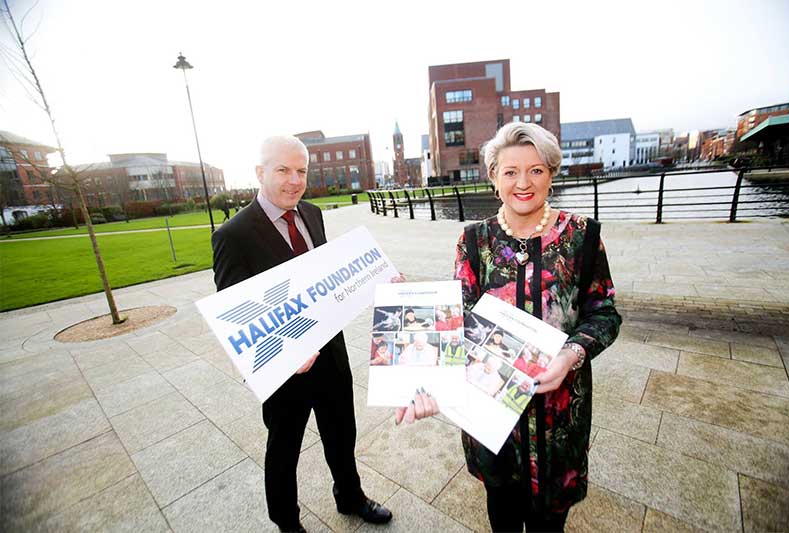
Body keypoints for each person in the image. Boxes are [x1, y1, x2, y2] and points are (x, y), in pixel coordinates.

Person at [396, 122, 621, 532]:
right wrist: (421, 384)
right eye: (510, 171)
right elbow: (456, 320)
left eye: (536, 170)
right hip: (491, 418)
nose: (523, 182)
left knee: (549, 524)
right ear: (494, 178)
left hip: (558, 416)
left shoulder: (582, 237)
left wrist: (572, 354)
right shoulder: (474, 242)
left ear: (552, 175)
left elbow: (604, 312)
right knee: (501, 515)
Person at [212, 135, 392, 533]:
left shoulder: (311, 213)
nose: (294, 180)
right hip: (283, 371)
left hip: (330, 353)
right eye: (283, 170)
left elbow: (327, 282)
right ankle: (288, 524)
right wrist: (278, 357)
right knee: (283, 451)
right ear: (260, 173)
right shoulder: (233, 235)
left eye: (301, 171)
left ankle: (350, 496)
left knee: (341, 434)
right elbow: (233, 314)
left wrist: (376, 281)